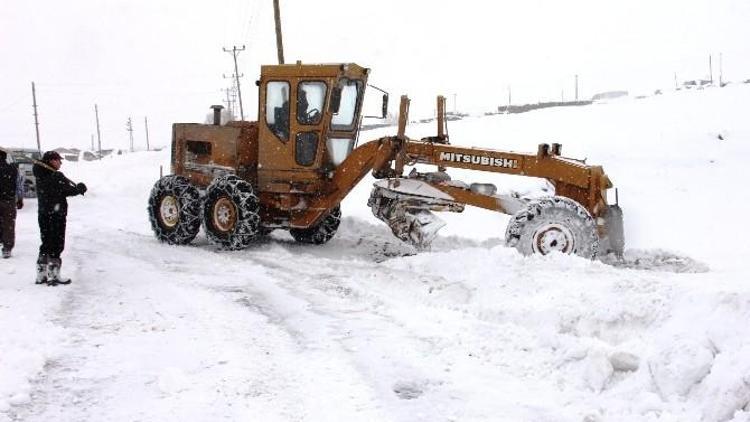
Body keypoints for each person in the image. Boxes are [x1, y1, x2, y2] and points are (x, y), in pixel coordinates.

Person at [34, 151, 87, 285]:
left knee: (46, 242)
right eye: (58, 160)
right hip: (56, 215)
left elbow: (58, 189)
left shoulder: (40, 173)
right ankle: (53, 275)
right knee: (56, 244)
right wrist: (79, 188)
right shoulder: (55, 176)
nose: (60, 162)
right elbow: (67, 190)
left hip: (44, 213)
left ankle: (41, 274)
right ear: (51, 161)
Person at [0, 148, 23, 258]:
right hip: (8, 200)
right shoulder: (13, 169)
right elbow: (19, 185)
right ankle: (7, 248)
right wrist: (20, 198)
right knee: (8, 224)